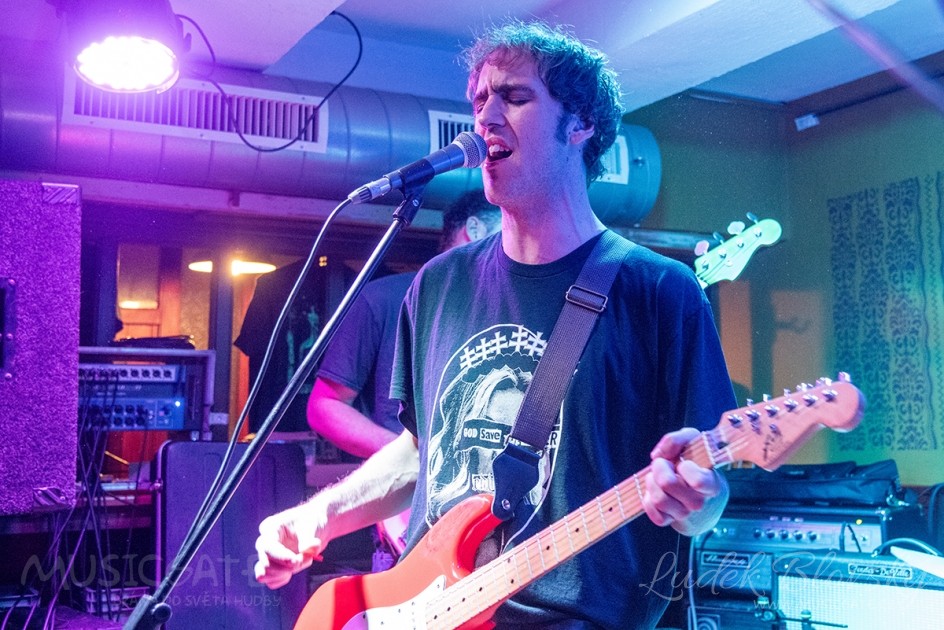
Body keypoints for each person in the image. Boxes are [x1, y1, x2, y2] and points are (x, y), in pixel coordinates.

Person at [255, 20, 736, 629]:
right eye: (479, 100)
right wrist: (319, 517)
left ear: (580, 123)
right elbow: (422, 454)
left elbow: (706, 482)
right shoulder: (438, 284)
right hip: (429, 608)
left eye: (514, 96)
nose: (484, 117)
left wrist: (698, 504)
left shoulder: (660, 291)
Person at [306, 190, 500, 565]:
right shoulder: (384, 298)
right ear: (474, 229)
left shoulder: (508, 307)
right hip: (406, 519)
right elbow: (325, 406)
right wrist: (408, 456)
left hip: (495, 531)